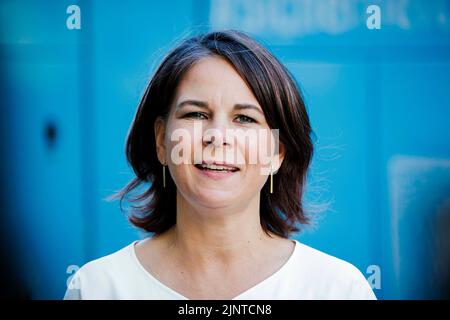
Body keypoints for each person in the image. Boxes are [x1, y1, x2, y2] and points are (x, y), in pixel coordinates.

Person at [64, 29, 376, 300]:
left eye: (244, 118)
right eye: (196, 114)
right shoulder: (97, 288)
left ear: (276, 153)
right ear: (161, 141)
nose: (217, 136)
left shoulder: (337, 289)